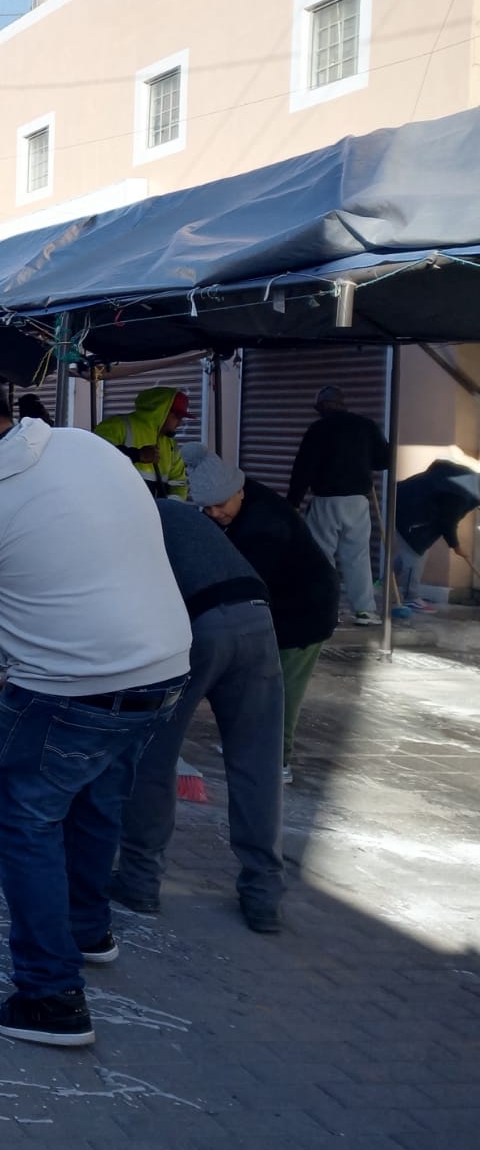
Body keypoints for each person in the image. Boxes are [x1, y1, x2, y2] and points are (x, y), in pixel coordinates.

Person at [0, 370, 191, 1049]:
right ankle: (88, 930)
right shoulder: (85, 447)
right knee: (94, 800)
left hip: (68, 685)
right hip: (162, 670)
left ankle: (51, 996)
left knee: (22, 817)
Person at [113, 500, 287, 933]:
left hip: (196, 625)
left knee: (152, 755)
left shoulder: (118, 521)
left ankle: (139, 881)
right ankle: (264, 895)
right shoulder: (177, 512)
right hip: (257, 615)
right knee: (257, 762)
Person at [185, 446, 337, 783]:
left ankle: (276, 762)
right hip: (274, 608)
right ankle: (248, 744)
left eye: (220, 505)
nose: (214, 514)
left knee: (278, 690)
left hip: (304, 615)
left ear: (238, 491)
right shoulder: (238, 503)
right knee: (253, 681)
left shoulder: (265, 526)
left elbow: (244, 582)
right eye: (206, 508)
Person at [288, 385, 392, 625]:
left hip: (326, 501)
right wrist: (363, 462)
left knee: (321, 556)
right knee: (357, 557)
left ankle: (326, 608)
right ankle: (365, 611)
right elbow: (385, 460)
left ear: (323, 406)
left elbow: (303, 468)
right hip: (357, 502)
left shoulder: (318, 429)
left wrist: (293, 502)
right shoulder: (366, 425)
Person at [393, 460, 478, 609]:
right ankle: (410, 597)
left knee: (407, 552)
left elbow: (439, 464)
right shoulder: (461, 495)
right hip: (410, 511)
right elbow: (448, 521)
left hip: (404, 498)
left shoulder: (470, 478)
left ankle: (385, 580)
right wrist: (456, 546)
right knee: (415, 554)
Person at [93, 387, 190, 500]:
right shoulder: (118, 426)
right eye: (177, 417)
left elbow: (179, 483)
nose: (180, 423)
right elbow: (95, 456)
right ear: (161, 411)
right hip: (115, 505)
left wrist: (172, 506)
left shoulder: (171, 445)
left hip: (154, 510)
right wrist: (137, 455)